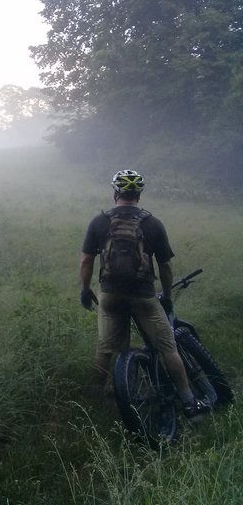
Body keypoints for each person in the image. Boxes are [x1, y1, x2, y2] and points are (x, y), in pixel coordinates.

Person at [79, 169, 209, 419]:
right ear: (138, 194)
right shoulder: (152, 223)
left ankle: (94, 401)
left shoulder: (99, 221)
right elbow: (165, 266)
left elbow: (86, 261)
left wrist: (85, 290)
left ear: (115, 192)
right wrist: (168, 297)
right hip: (143, 295)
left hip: (109, 294)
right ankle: (190, 404)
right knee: (168, 347)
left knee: (105, 348)